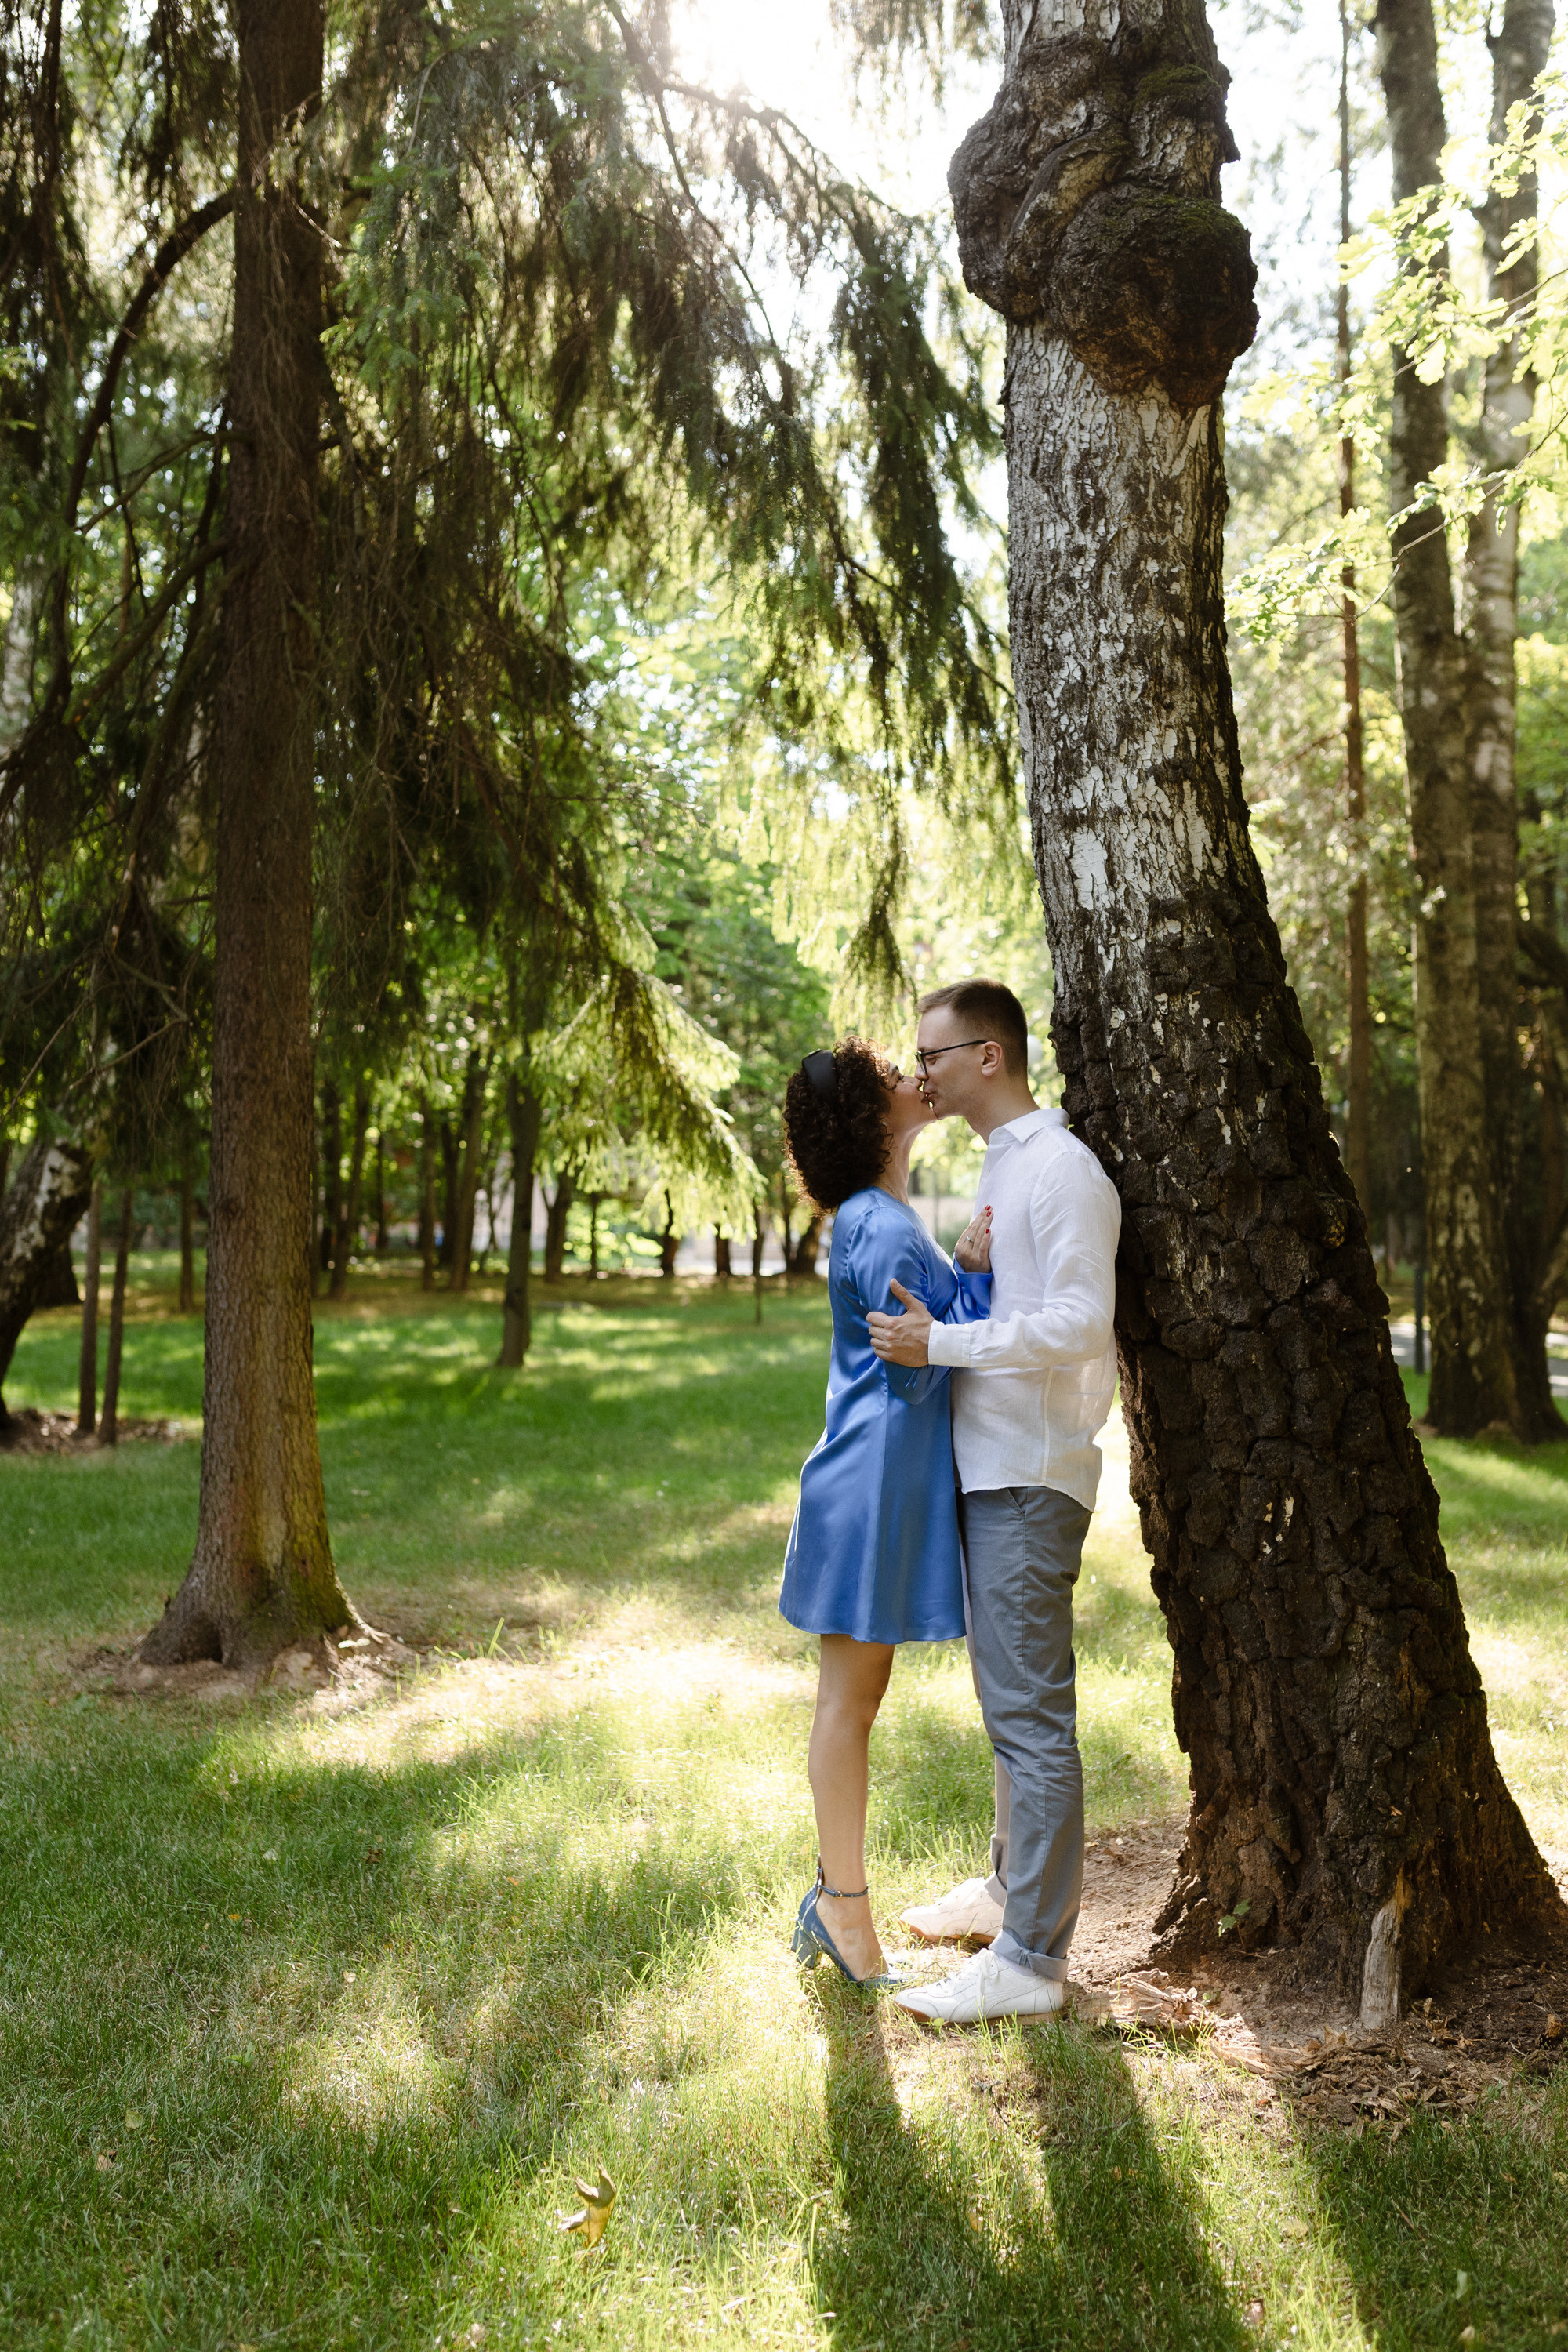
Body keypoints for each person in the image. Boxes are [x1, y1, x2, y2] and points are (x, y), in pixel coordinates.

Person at [867, 978, 1120, 2025]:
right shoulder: (1005, 1170)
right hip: (992, 1470)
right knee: (1007, 1712)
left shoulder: (1060, 1168)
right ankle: (1007, 1891)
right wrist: (972, 1274)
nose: (919, 1074)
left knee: (1030, 1721)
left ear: (988, 1057)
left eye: (930, 1056)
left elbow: (1080, 1323)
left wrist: (947, 1341)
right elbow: (1026, 1302)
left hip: (1031, 1474)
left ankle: (1030, 1961)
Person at [779, 1037, 993, 1987]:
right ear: (870, 1118)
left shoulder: (873, 1218)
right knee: (851, 1704)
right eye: (890, 1078)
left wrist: (956, 1270)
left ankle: (837, 1905)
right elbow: (927, 1357)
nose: (914, 1078)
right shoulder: (876, 1222)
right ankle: (844, 1917)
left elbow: (923, 1336)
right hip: (870, 1486)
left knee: (850, 1701)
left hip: (869, 1480)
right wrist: (974, 1278)